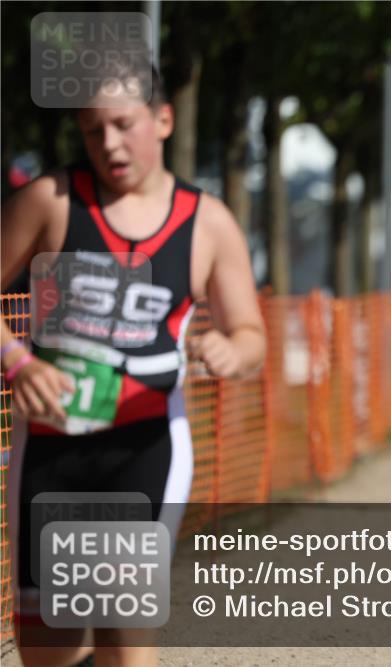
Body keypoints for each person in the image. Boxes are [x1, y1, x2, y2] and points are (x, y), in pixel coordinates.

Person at [1, 58, 265, 667]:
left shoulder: (208, 222)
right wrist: (18, 362)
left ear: (164, 118)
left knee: (123, 634)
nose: (110, 144)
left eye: (124, 124)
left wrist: (233, 349)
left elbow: (250, 332)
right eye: (94, 131)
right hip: (50, 449)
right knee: (52, 650)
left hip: (147, 447)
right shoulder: (52, 199)